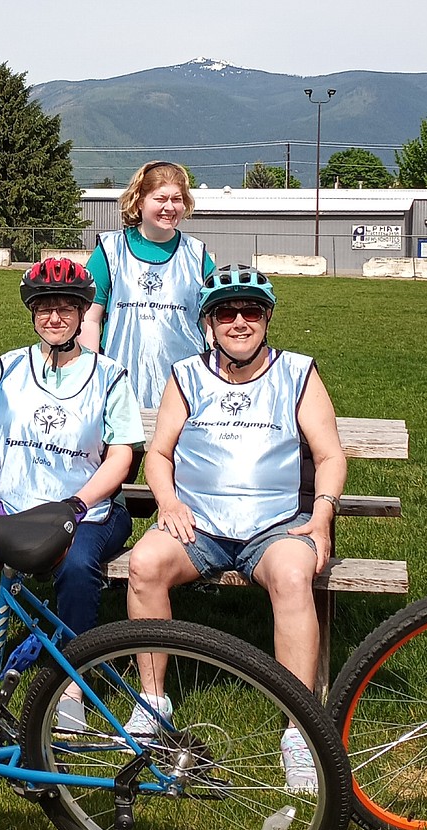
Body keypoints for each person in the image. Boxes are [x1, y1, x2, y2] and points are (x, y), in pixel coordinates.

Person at [124, 265, 347, 793]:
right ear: (210, 322)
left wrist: (321, 516)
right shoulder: (186, 374)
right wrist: (169, 500)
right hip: (198, 522)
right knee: (144, 564)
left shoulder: (298, 372)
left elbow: (329, 453)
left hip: (274, 524)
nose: (240, 322)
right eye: (227, 312)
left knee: (294, 576)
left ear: (267, 318)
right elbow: (157, 453)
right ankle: (153, 702)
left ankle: (300, 730)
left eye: (251, 312)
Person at [0, 257, 144, 721]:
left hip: (85, 506)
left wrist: (79, 501)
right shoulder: (9, 366)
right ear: (32, 312)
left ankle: (68, 688)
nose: (54, 317)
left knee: (78, 567)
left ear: (81, 313)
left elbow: (122, 455)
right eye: (44, 307)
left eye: (66, 308)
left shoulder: (109, 375)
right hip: (11, 501)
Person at [78, 160, 216, 409]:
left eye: (177, 199)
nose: (169, 207)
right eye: (160, 198)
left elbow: (212, 325)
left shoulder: (197, 255)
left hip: (186, 389)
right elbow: (89, 319)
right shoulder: (110, 251)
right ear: (140, 201)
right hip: (120, 384)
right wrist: (92, 372)